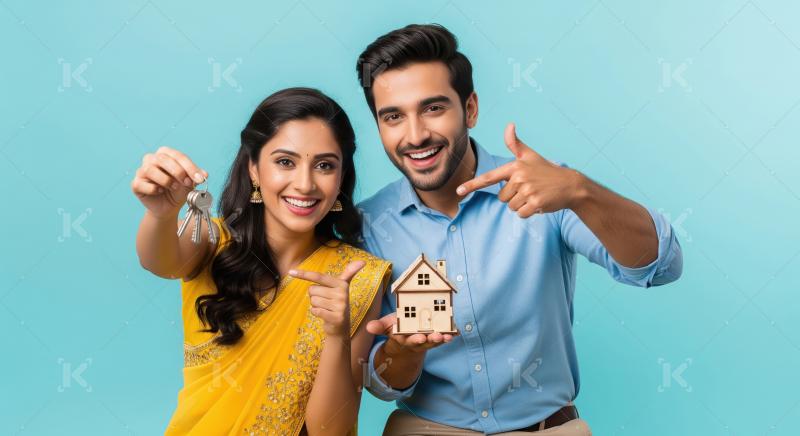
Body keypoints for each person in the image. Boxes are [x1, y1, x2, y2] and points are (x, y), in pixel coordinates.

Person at [355, 24, 684, 435]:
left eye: (434, 108)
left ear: (470, 109)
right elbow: (381, 385)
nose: (416, 134)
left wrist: (581, 191)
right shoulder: (366, 226)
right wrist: (402, 351)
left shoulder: (548, 190)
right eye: (393, 117)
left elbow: (661, 265)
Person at [131, 87, 391, 435]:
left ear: (342, 177)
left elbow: (330, 431)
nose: (305, 183)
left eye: (325, 165)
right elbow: (158, 261)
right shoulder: (211, 238)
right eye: (285, 162)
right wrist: (161, 216)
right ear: (254, 169)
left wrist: (336, 334)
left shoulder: (356, 276)